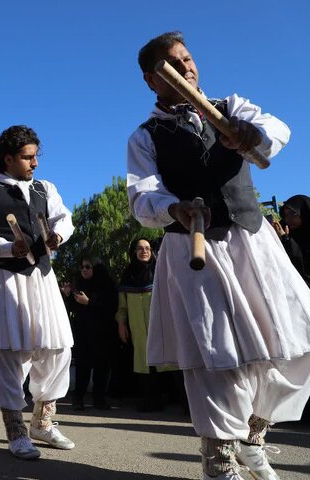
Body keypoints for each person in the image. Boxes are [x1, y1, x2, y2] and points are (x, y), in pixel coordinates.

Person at [128, 32, 310, 480]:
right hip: (196, 249)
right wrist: (173, 207)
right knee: (218, 354)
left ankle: (253, 439)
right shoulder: (146, 135)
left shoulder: (230, 106)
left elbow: (277, 130)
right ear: (154, 80)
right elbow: (142, 195)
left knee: (296, 342)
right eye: (172, 64)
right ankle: (219, 459)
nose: (186, 67)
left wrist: (252, 135)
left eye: (187, 58)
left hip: (252, 241)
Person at [0, 125, 75, 460]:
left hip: (42, 277)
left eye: (35, 157)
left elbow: (64, 218)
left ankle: (42, 422)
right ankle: (16, 432)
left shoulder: (45, 188)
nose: (35, 164)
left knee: (58, 348)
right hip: (6, 279)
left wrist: (58, 235)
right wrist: (7, 247)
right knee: (8, 354)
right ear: (8, 158)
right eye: (28, 158)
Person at [116, 238, 175, 412]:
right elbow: (122, 306)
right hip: (138, 329)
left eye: (148, 248)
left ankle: (182, 402)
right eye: (140, 248)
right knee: (145, 363)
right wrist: (121, 324)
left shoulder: (160, 272)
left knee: (170, 363)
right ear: (134, 252)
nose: (145, 251)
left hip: (162, 327)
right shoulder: (128, 276)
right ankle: (151, 401)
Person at [66, 257, 117, 411]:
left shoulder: (107, 285)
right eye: (82, 267)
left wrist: (89, 302)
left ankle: (99, 398)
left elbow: (111, 306)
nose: (84, 270)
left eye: (88, 267)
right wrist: (68, 295)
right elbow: (72, 308)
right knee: (83, 364)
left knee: (102, 366)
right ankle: (78, 398)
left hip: (103, 332)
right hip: (83, 332)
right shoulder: (80, 285)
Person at [273, 195, 310, 287]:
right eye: (285, 215)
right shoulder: (285, 231)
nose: (287, 219)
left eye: (293, 214)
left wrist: (286, 240)